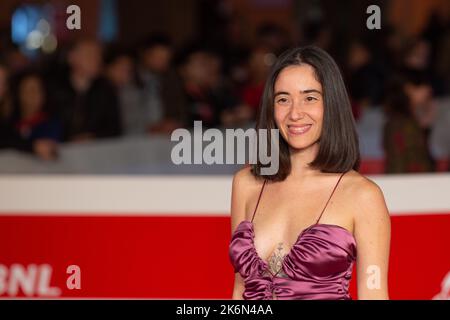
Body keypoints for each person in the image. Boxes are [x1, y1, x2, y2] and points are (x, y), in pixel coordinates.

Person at [229, 46, 391, 300]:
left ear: (332, 104)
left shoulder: (362, 195)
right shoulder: (246, 183)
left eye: (310, 98)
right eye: (283, 99)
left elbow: (374, 294)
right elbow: (240, 290)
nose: (295, 113)